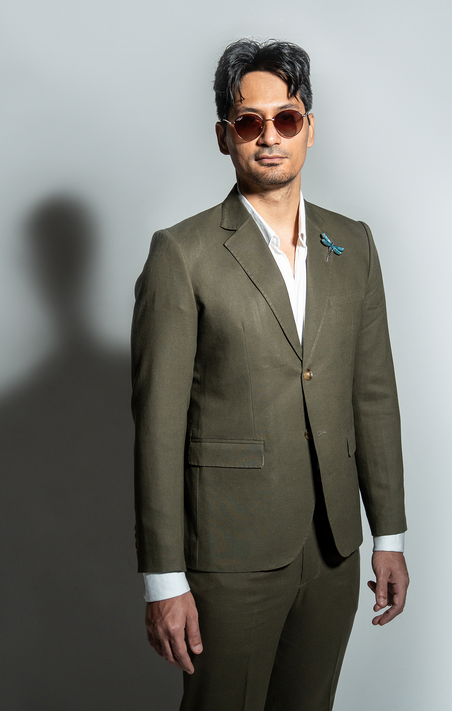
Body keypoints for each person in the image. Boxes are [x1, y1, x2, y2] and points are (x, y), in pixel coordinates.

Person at [131, 38, 409, 711]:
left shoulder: (354, 243)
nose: (269, 137)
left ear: (309, 128)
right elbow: (159, 428)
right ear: (224, 136)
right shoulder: (182, 254)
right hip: (230, 552)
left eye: (285, 118)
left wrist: (389, 534)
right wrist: (163, 579)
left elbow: (373, 393)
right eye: (249, 122)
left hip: (334, 548)